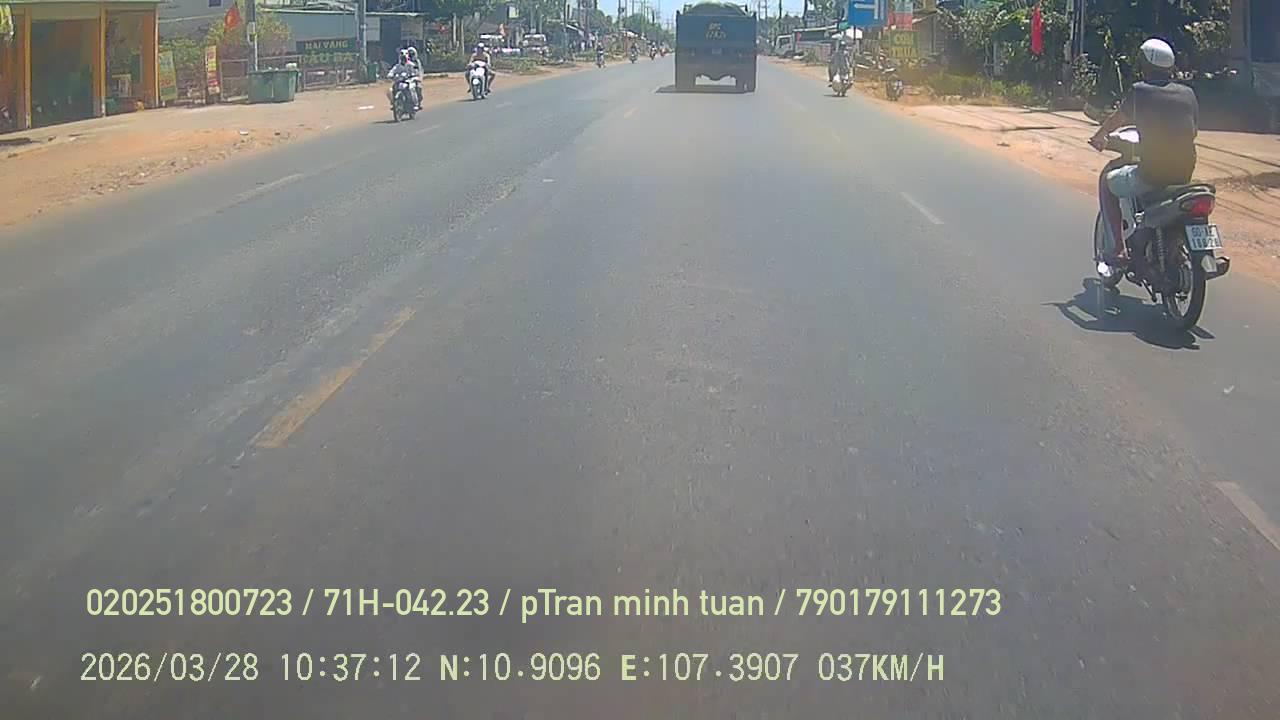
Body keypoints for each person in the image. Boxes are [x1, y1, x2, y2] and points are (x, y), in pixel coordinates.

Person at [1089, 37, 1199, 267]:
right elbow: (1193, 130)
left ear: (1145, 65)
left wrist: (1100, 135)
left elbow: (1118, 119)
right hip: (1184, 175)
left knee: (1107, 183)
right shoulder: (1188, 93)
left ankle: (1118, 249)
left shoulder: (1140, 91)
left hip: (1151, 174)